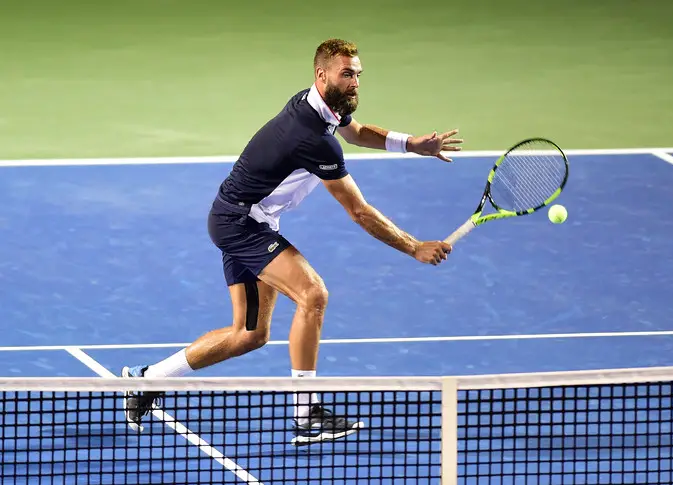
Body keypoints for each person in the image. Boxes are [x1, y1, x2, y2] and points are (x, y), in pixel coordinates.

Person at [121, 38, 463, 445]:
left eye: (358, 74)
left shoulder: (319, 106)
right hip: (241, 223)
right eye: (346, 74)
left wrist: (411, 144)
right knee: (313, 295)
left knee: (249, 334)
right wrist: (413, 246)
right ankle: (307, 415)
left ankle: (148, 380)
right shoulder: (312, 139)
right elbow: (359, 211)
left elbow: (355, 133)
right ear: (322, 75)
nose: (355, 82)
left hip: (241, 217)